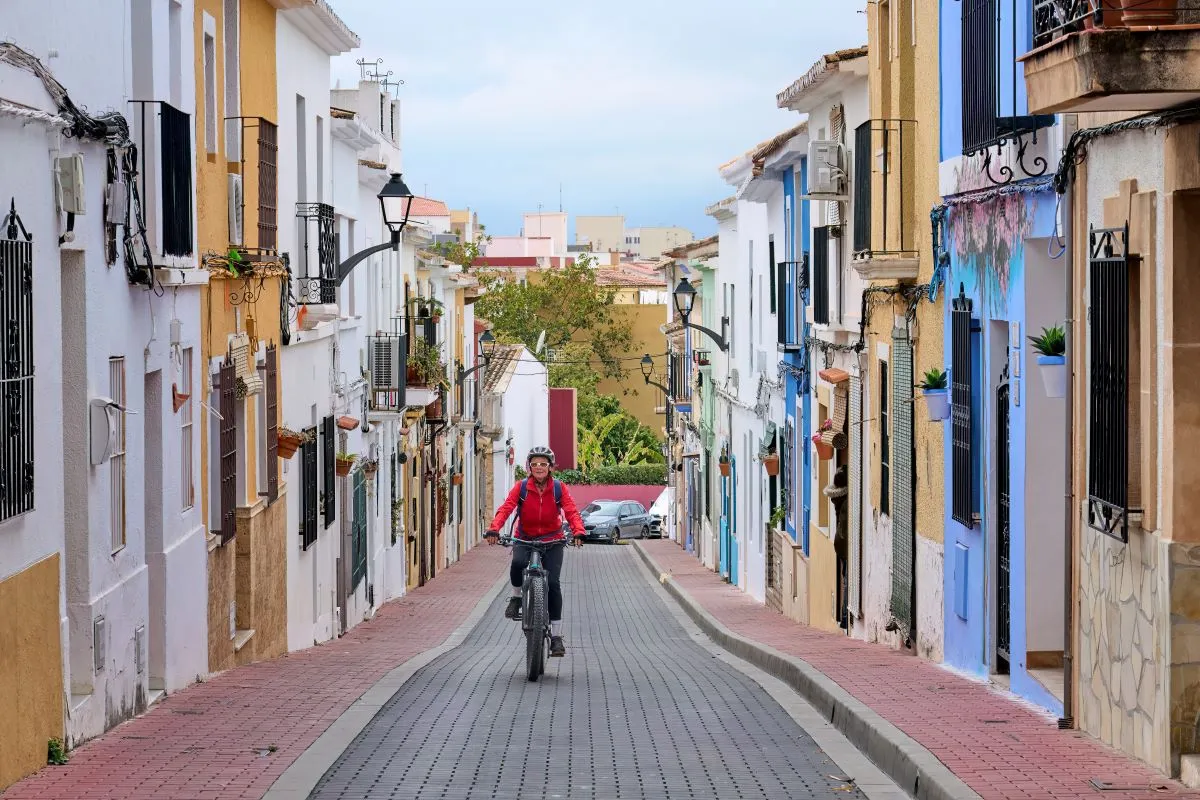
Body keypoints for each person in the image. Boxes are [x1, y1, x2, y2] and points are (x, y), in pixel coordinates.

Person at [485, 446, 585, 657]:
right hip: (525, 537)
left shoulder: (558, 488)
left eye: (543, 464)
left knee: (554, 584)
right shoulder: (521, 487)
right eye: (535, 464)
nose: (539, 467)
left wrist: (578, 531)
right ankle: (516, 597)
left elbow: (571, 511)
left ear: (550, 467)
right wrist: (494, 528)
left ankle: (556, 637)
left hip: (553, 539)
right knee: (517, 563)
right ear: (529, 467)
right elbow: (506, 508)